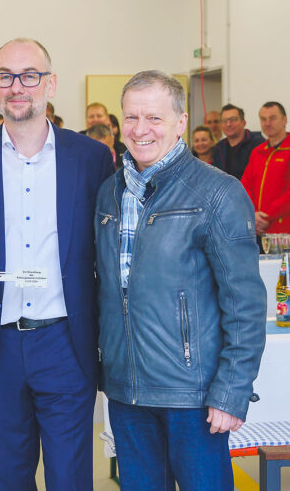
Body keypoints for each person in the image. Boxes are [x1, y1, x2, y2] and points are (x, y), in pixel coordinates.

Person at [0, 38, 114, 490]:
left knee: (70, 477)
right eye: (5, 76)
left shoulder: (91, 159)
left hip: (65, 343)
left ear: (50, 83)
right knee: (9, 478)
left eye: (30, 75)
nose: (17, 86)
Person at [95, 70, 265, 490]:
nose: (140, 130)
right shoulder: (109, 193)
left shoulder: (218, 193)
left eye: (154, 118)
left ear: (181, 121)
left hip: (193, 396)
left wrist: (231, 391)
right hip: (127, 392)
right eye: (131, 118)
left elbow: (244, 303)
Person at [241, 101, 290, 235]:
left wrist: (266, 216)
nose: (267, 123)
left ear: (284, 120)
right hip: (257, 229)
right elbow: (245, 187)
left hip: (284, 231)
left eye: (273, 118)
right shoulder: (257, 152)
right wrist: (253, 214)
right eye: (263, 119)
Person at [212, 103, 264, 179]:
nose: (228, 124)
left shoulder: (257, 144)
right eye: (224, 121)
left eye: (233, 119)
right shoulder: (219, 147)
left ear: (244, 122)